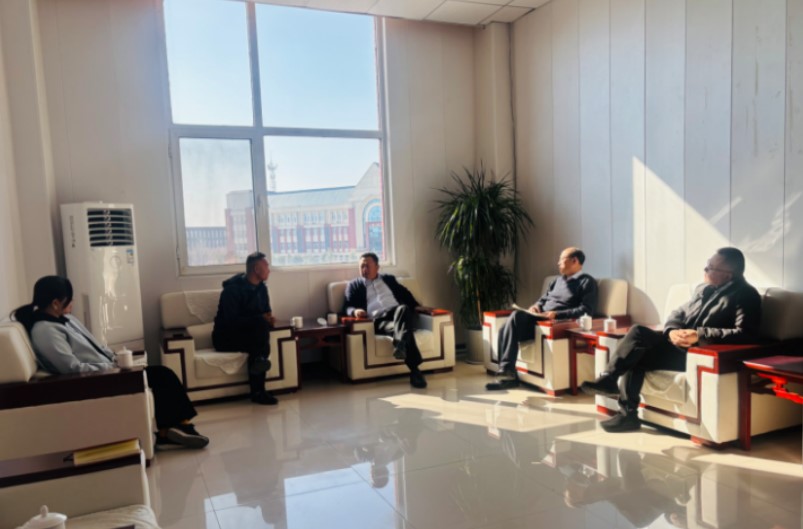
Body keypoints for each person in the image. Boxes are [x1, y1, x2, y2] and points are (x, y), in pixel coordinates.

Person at [11, 276, 208, 450]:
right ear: (55, 303)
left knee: (161, 374)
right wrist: (112, 368)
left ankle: (173, 429)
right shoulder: (45, 332)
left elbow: (96, 346)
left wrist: (116, 358)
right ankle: (176, 429)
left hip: (108, 369)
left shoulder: (66, 320)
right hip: (95, 380)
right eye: (69, 299)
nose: (72, 303)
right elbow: (72, 369)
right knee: (161, 376)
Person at [581, 247, 761, 433]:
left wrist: (699, 335)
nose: (705, 270)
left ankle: (610, 381)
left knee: (636, 349)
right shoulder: (703, 289)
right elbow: (678, 313)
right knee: (636, 342)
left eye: (710, 268)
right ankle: (626, 411)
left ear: (728, 275)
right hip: (677, 347)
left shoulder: (746, 295)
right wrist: (672, 331)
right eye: (707, 265)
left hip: (697, 355)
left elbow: (746, 333)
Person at [486, 247, 598, 390]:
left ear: (574, 261)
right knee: (504, 328)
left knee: (515, 317)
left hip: (552, 324)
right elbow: (543, 299)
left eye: (561, 259)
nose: (558, 263)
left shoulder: (587, 282)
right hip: (538, 319)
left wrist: (556, 314)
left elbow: (586, 310)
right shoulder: (557, 281)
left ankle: (507, 372)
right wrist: (536, 306)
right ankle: (509, 376)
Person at [343, 252, 428, 388]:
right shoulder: (354, 285)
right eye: (362, 266)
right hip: (378, 321)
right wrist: (354, 311)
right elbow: (347, 306)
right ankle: (415, 371)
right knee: (404, 330)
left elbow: (404, 293)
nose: (364, 269)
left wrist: (416, 306)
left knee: (404, 309)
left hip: (397, 315)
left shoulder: (389, 279)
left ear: (377, 267)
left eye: (368, 266)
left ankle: (400, 344)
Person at [213, 251, 277, 405]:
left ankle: (259, 390)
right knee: (259, 343)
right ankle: (258, 391)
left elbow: (266, 312)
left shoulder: (262, 288)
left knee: (259, 338)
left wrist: (269, 320)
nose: (269, 270)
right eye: (266, 266)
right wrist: (260, 319)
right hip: (226, 337)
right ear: (256, 269)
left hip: (251, 334)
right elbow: (231, 322)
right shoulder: (231, 291)